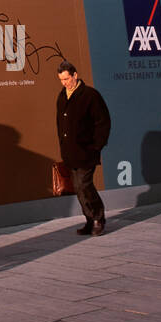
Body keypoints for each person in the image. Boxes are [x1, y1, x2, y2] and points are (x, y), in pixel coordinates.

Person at [55, 61, 111, 236]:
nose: (64, 82)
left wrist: (96, 146)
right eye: (61, 79)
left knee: (84, 185)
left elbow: (103, 122)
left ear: (75, 75)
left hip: (87, 151)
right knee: (78, 188)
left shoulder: (90, 95)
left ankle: (98, 218)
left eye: (66, 78)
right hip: (70, 152)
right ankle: (89, 219)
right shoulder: (62, 96)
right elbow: (60, 124)